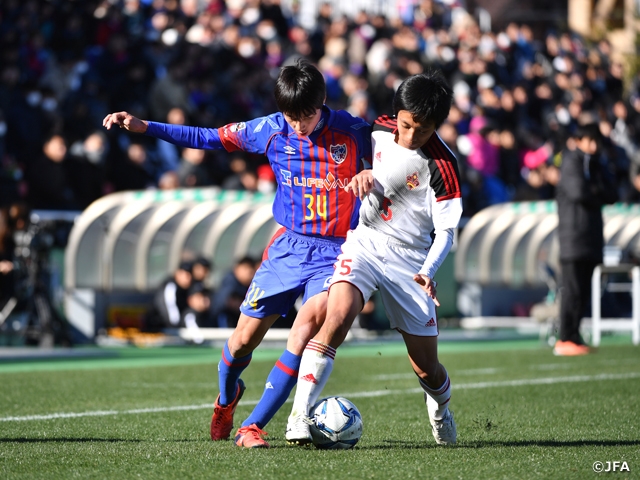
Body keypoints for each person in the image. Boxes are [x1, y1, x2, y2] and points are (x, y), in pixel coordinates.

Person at [103, 59, 372, 448]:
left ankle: (253, 426)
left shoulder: (354, 131)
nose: (299, 125)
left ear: (322, 103)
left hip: (335, 252)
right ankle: (227, 398)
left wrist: (372, 172)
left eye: (307, 116)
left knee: (305, 329)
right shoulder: (270, 130)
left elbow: (398, 145)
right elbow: (209, 137)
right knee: (242, 341)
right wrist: (148, 127)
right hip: (288, 248)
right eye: (292, 117)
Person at [285, 70, 462, 447]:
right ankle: (298, 416)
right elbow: (365, 159)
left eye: (423, 130)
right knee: (335, 319)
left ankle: (440, 412)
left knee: (427, 369)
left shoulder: (443, 166)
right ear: (396, 114)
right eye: (406, 125)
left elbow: (447, 232)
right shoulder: (380, 127)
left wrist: (428, 272)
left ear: (437, 126)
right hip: (365, 241)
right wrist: (363, 172)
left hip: (410, 261)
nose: (410, 136)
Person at [553, 124, 618, 356]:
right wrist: (597, 191)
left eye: (596, 141)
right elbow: (578, 192)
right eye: (588, 140)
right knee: (572, 291)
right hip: (573, 237)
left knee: (584, 293)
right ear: (578, 140)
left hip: (591, 238)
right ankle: (565, 338)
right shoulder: (571, 162)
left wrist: (597, 187)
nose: (592, 146)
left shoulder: (598, 164)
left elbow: (612, 194)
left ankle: (575, 336)